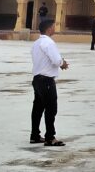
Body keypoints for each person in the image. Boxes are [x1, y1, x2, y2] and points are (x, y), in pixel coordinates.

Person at [30, 19, 68, 147]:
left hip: (37, 78)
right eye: (53, 26)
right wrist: (63, 63)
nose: (54, 28)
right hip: (46, 80)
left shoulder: (36, 43)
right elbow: (56, 60)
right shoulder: (49, 43)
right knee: (51, 108)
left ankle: (35, 135)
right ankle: (50, 137)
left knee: (37, 108)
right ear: (49, 29)